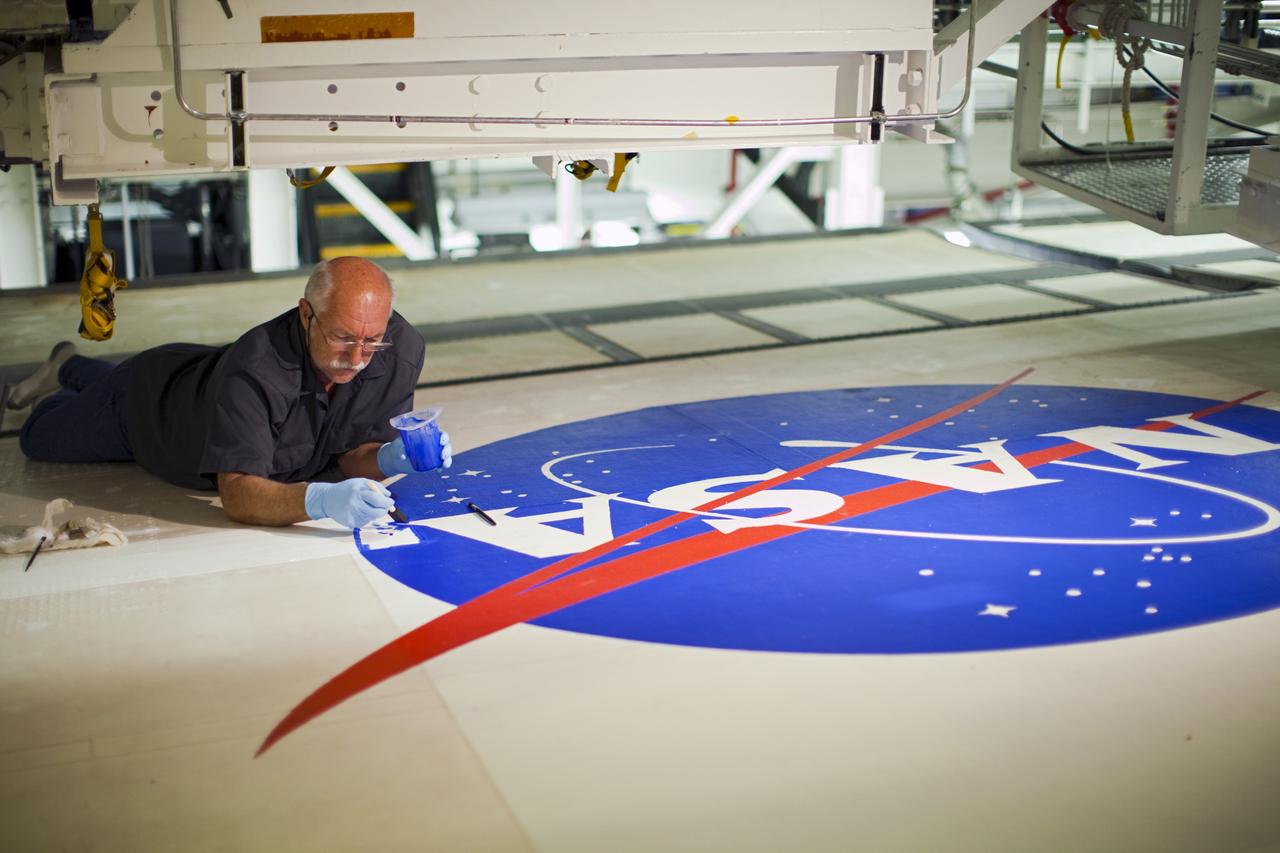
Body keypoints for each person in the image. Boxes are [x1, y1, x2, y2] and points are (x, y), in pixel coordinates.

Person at [11, 256, 450, 529]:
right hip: (146, 406)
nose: (358, 357)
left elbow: (351, 450)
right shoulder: (256, 368)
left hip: (203, 378)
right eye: (342, 338)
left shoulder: (400, 349)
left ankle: (72, 366)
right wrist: (319, 501)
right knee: (39, 436)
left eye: (372, 340)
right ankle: (59, 381)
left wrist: (391, 458)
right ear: (305, 314)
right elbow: (239, 495)